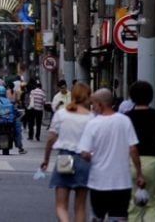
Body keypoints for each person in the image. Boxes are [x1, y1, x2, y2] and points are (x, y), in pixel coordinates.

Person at [78, 88, 144, 222]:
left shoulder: (93, 124)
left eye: (94, 104)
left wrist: (92, 156)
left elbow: (84, 153)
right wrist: (139, 173)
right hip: (121, 182)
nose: (93, 107)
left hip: (98, 181)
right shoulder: (125, 121)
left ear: (100, 104)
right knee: (119, 217)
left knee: (97, 217)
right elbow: (133, 149)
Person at [41, 82, 94, 222]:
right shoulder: (92, 117)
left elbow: (51, 139)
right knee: (80, 206)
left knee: (61, 205)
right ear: (88, 97)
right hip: (84, 159)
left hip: (65, 157)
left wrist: (46, 159)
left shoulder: (61, 114)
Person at [125, 81, 155, 222]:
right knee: (153, 203)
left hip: (132, 162)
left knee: (133, 204)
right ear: (150, 97)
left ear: (132, 97)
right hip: (152, 162)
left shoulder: (127, 116)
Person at [0, 85, 26, 154]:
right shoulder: (9, 102)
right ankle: (20, 147)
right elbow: (15, 112)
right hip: (9, 121)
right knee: (18, 128)